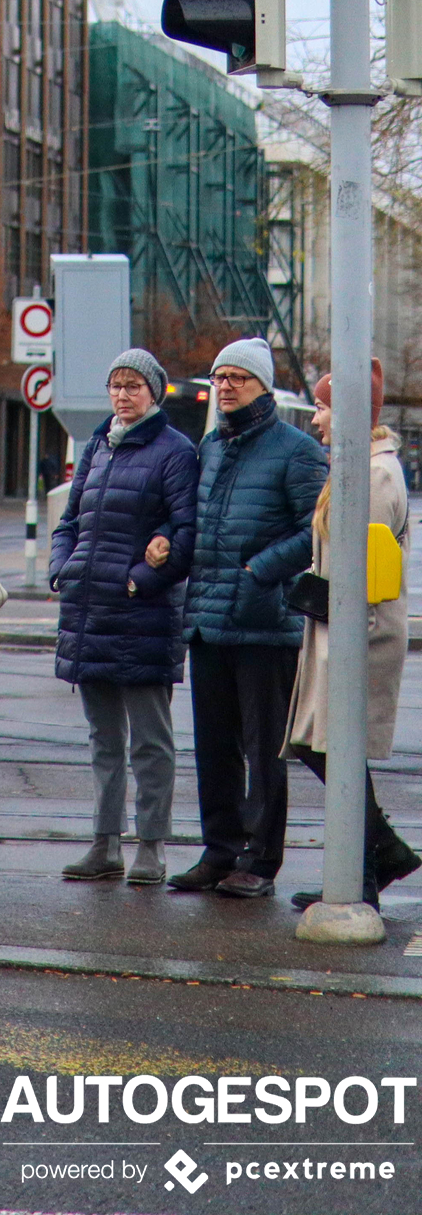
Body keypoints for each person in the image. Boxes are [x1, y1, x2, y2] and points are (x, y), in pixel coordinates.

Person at [174, 337, 326, 898]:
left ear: (263, 385)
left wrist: (258, 571)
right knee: (213, 745)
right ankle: (219, 850)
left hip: (265, 622)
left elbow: (316, 531)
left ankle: (260, 860)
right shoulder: (211, 446)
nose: (228, 385)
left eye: (240, 377)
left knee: (265, 749)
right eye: (221, 377)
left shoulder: (296, 449)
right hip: (208, 622)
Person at [49, 348, 197, 888]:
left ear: (153, 392)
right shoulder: (98, 446)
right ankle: (104, 844)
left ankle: (152, 847)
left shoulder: (174, 451)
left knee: (150, 742)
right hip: (89, 611)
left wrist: (141, 578)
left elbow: (184, 535)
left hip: (143, 615)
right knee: (103, 739)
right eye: (115, 385)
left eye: (133, 385)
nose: (122, 394)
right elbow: (69, 521)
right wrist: (61, 568)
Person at [284, 361, 419, 909]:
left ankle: (367, 866)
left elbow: (367, 569)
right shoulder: (355, 465)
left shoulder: (375, 474)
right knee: (323, 746)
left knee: (333, 747)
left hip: (356, 636)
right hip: (338, 630)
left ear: (349, 413)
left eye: (322, 407)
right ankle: (372, 861)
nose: (315, 418)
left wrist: (341, 618)